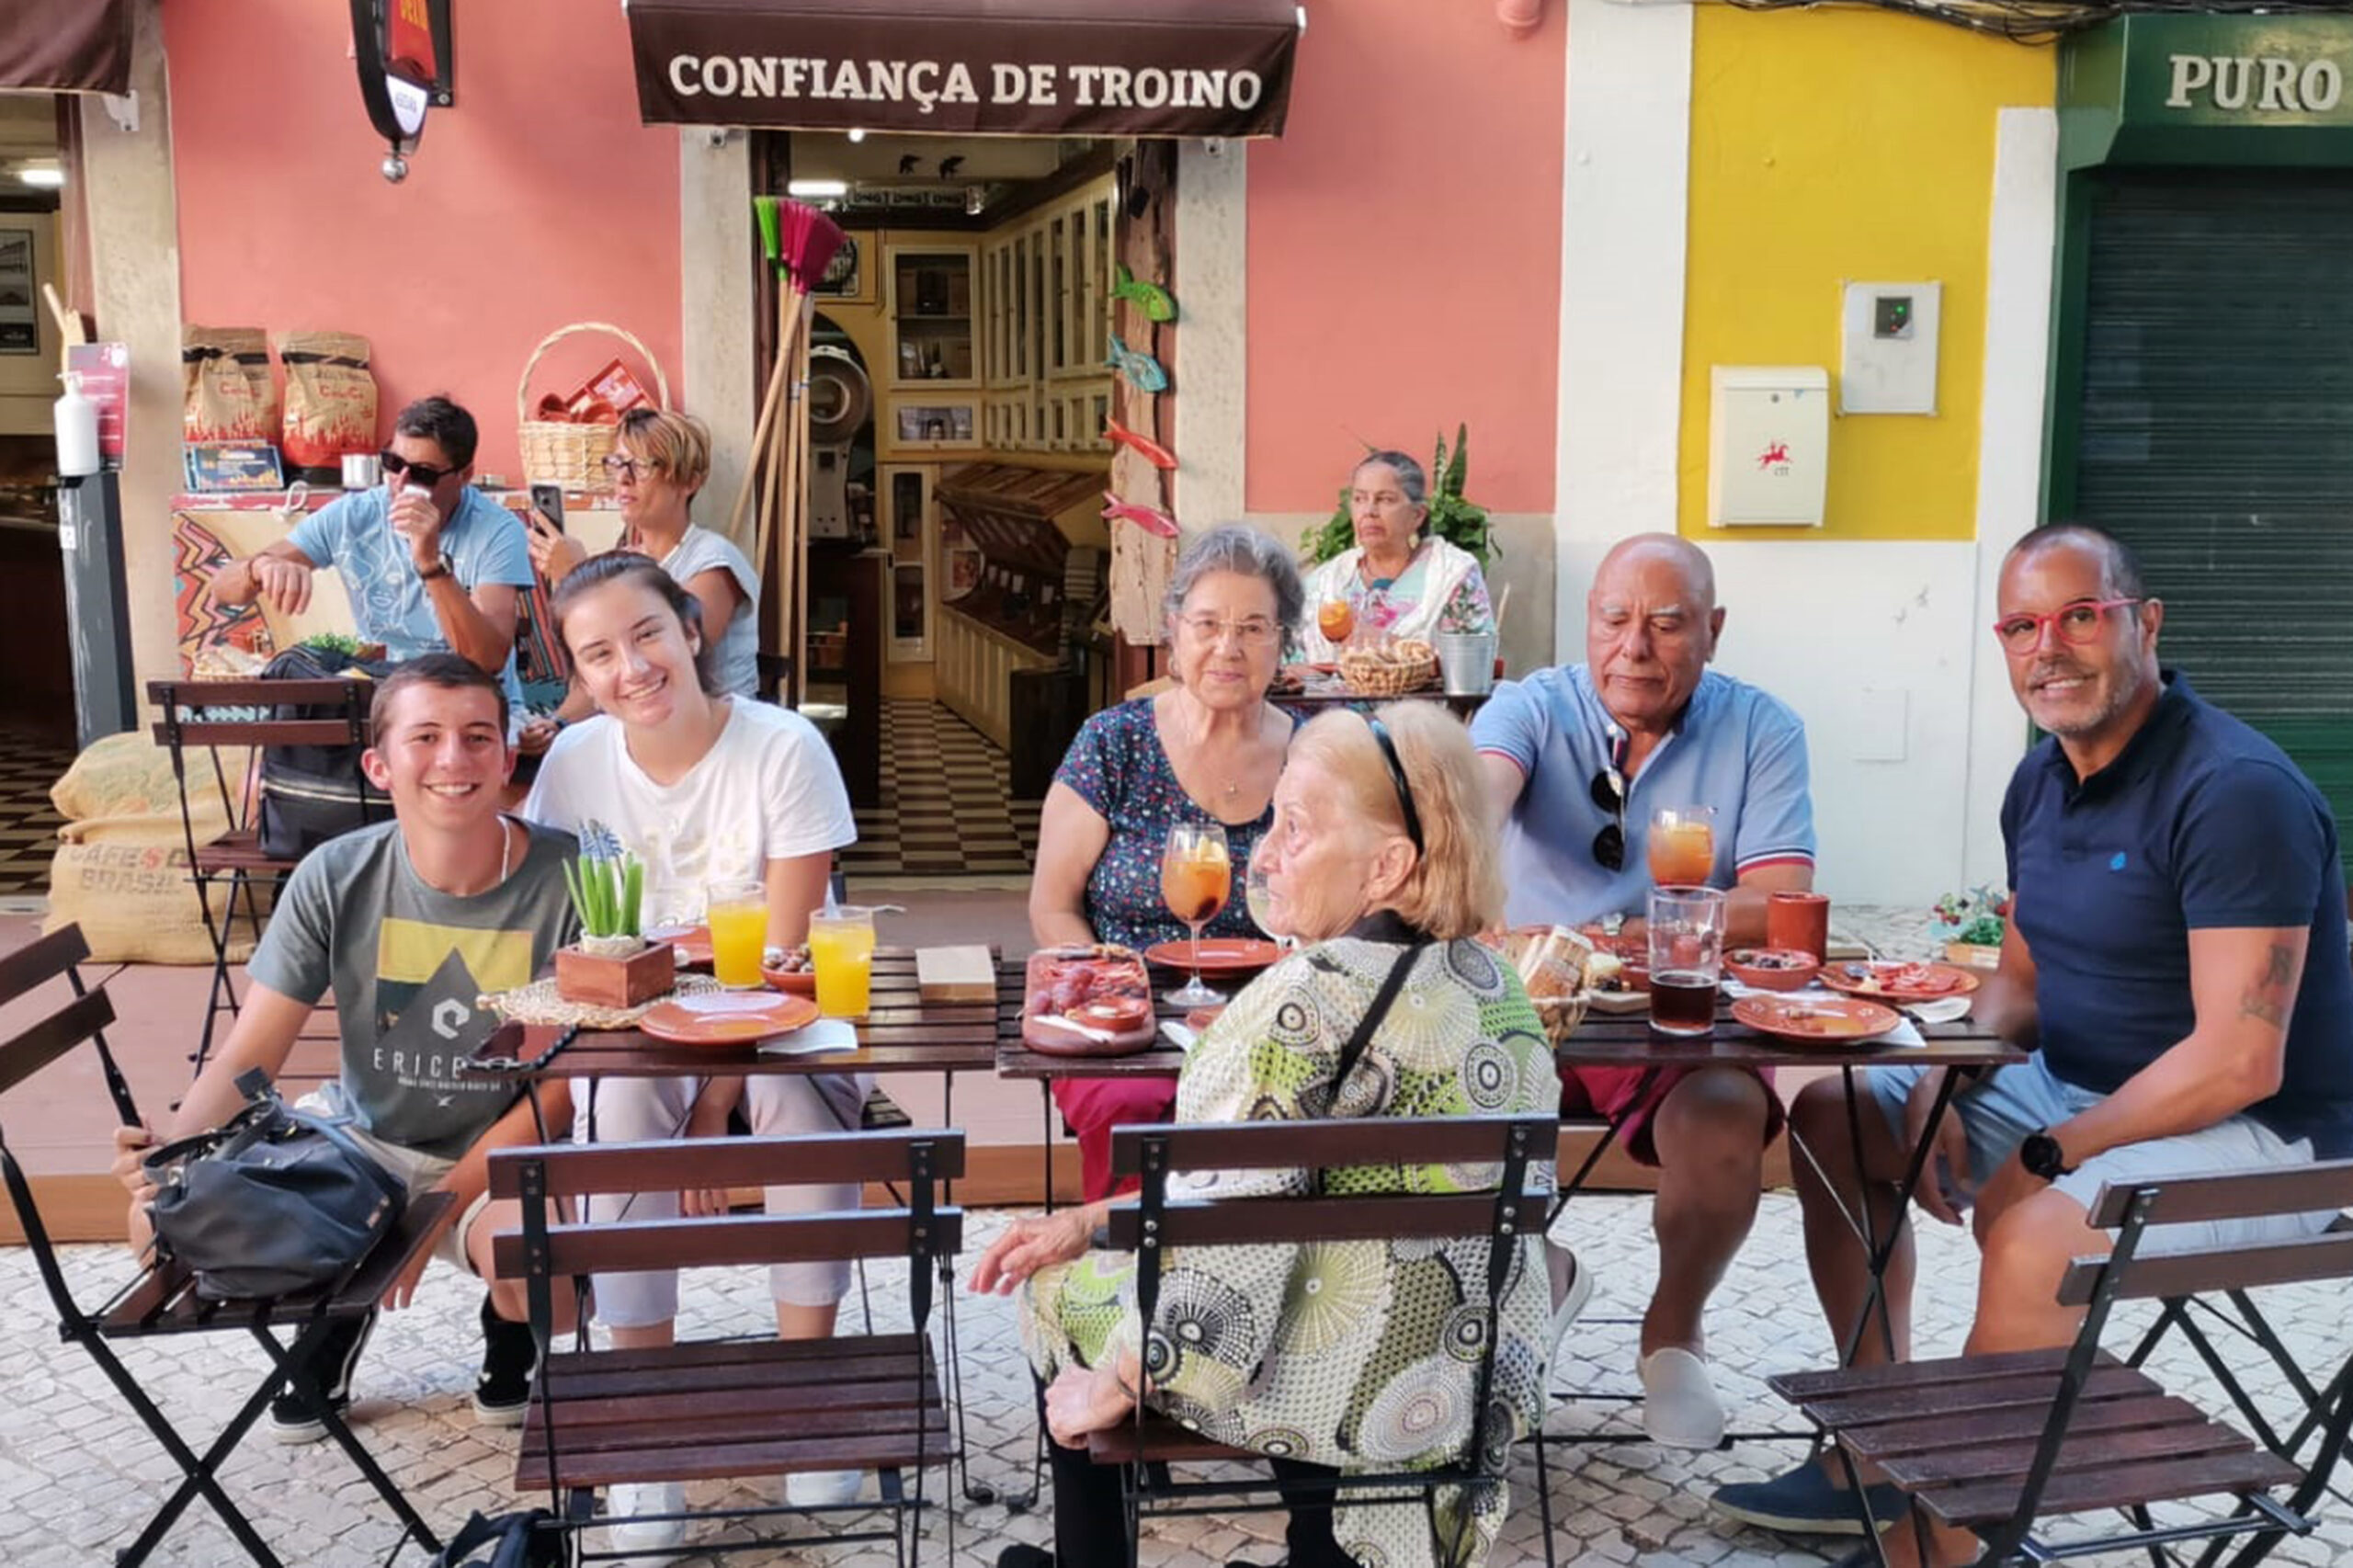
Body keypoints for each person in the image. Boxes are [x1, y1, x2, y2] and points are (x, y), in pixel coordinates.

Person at [1711, 523, 2353, 1557]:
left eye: (2079, 616)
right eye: (2020, 625)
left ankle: (1943, 1548)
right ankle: (1877, 1454)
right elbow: (2016, 982)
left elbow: (2241, 1058)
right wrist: (1938, 1076)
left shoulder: (2235, 792)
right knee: (1839, 1115)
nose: (2047, 646)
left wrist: (2057, 1150)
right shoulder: (2039, 781)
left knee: (2033, 1235)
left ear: (2143, 623)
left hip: (2265, 1136)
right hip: (2081, 1091)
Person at [978, 703, 1559, 1568]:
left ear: (1388, 866)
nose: (1264, 850)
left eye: (1298, 826)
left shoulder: (1295, 1007)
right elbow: (1247, 1198)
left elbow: (1224, 1252)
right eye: (1274, 816)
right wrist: (1093, 1217)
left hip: (1329, 1382)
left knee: (1052, 1290)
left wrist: (1122, 1381)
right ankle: (1319, 1546)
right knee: (1310, 1266)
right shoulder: (1502, 989)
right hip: (1457, 1378)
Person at [110, 654, 580, 1442]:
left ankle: (506, 1339)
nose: (453, 760)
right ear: (379, 763)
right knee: (158, 1237)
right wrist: (174, 1159)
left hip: (502, 1150)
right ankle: (331, 1319)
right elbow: (247, 1053)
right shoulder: (337, 873)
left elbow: (561, 1091)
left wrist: (434, 1214)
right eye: (424, 737)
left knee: (545, 1278)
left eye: (476, 737)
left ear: (507, 757)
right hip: (361, 1143)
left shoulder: (570, 877)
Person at [520, 552, 862, 1555]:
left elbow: (788, 960)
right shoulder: (574, 766)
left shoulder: (782, 746)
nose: (630, 666)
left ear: (691, 630)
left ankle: (810, 1400)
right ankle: (648, 1434)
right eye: (598, 653)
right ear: (578, 675)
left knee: (801, 1098)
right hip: (639, 1024)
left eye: (646, 635)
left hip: (779, 1008)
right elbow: (567, 942)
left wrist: (713, 1110)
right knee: (618, 1112)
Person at [1469, 531, 1816, 1449]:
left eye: (1666, 624)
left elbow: (1781, 900)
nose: (1635, 645)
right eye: (1613, 619)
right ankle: (1528, 1277)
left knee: (1724, 1113)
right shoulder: (1528, 706)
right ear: (1587, 623)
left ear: (1712, 628)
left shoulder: (1761, 728)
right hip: (1523, 1006)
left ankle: (1672, 1332)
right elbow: (1477, 797)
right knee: (1444, 1103)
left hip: (1670, 1008)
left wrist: (1632, 938)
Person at [1028, 525, 1301, 1200]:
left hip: (1278, 1016)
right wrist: (1115, 991)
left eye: (1253, 627)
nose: (1227, 648)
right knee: (1131, 1113)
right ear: (1174, 632)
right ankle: (1127, 1286)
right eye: (1208, 623)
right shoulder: (1114, 744)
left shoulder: (1318, 753)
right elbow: (1052, 904)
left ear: (1284, 641)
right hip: (1126, 1021)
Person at [209, 394, 535, 725]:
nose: (401, 483)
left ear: (464, 476)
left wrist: (430, 563)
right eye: (393, 464)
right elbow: (222, 589)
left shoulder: (497, 529)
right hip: (383, 698)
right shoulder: (356, 514)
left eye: (423, 473)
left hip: (472, 703)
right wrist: (257, 567)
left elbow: (486, 660)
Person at [520, 409, 760, 758]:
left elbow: (680, 651)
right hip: (639, 735)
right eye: (617, 464)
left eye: (642, 466)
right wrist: (556, 724)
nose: (624, 479)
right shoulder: (625, 560)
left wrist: (577, 577)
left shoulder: (713, 563)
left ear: (689, 481)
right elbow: (603, 671)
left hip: (716, 741)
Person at [1294, 450, 1495, 662]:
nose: (1369, 511)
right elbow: (1287, 663)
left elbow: (1476, 664)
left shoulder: (1452, 575)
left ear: (1417, 515)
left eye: (1386, 500)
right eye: (1359, 499)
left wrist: (1394, 647)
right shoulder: (1327, 582)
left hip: (1422, 696)